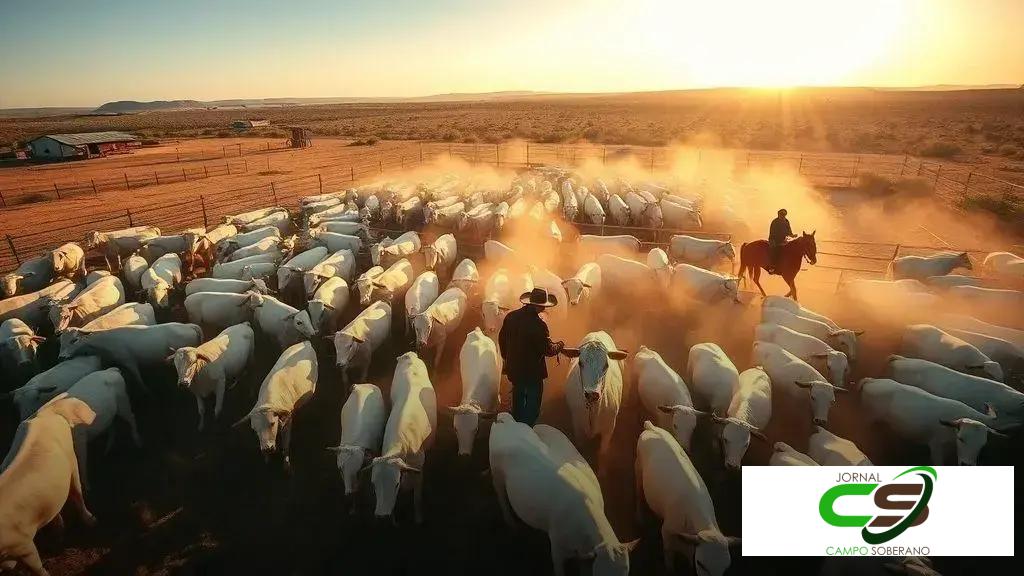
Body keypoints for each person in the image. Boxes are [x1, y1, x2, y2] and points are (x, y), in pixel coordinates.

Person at [497, 287, 565, 426]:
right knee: (532, 408)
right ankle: (526, 429)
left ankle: (516, 426)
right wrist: (560, 345)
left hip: (514, 369)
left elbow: (501, 340)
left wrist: (507, 359)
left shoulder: (510, 317)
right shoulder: (539, 325)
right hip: (532, 373)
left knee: (518, 398)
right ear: (540, 306)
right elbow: (548, 349)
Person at [767, 208, 797, 274]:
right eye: (781, 215)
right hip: (774, 240)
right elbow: (773, 232)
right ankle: (772, 267)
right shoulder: (775, 222)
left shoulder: (786, 221)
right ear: (779, 215)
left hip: (783, 240)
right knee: (775, 251)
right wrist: (776, 241)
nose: (783, 216)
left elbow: (789, 231)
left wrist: (792, 235)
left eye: (784, 215)